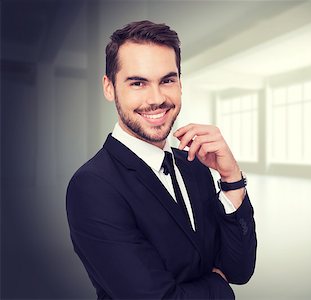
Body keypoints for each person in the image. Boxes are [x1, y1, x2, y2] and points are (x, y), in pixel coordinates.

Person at [66, 20, 257, 299]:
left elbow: (238, 270)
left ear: (180, 83)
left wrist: (231, 180)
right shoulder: (93, 187)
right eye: (138, 83)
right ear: (109, 88)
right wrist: (218, 287)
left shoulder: (194, 163)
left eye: (167, 80)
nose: (156, 99)